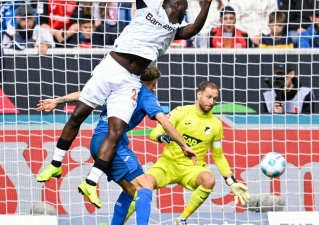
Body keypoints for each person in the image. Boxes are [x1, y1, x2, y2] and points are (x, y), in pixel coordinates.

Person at [36, 0, 213, 210]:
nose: (186, 14)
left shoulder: (173, 31)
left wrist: (207, 4)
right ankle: (55, 165)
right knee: (78, 115)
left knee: (117, 131)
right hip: (110, 68)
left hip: (129, 81)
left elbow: (193, 30)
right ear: (176, 6)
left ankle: (90, 182)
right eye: (185, 9)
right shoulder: (148, 9)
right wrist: (57, 100)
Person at [36, 66, 195, 225]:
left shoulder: (120, 85)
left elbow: (85, 94)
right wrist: (184, 146)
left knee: (130, 189)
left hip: (97, 142)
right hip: (112, 143)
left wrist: (56, 100)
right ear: (153, 82)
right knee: (145, 184)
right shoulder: (147, 96)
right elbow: (165, 123)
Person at [119, 81, 250, 225]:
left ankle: (181, 219)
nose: (211, 102)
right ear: (199, 94)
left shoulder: (216, 125)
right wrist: (162, 137)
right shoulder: (180, 112)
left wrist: (231, 181)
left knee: (209, 180)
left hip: (192, 168)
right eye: (208, 97)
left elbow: (218, 155)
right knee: (144, 185)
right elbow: (154, 132)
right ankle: (119, 222)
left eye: (215, 98)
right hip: (168, 165)